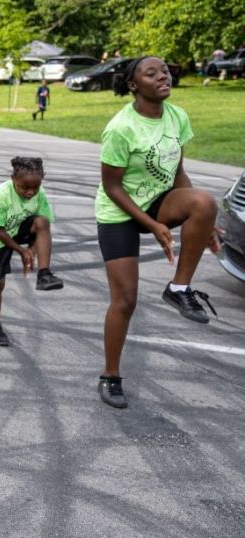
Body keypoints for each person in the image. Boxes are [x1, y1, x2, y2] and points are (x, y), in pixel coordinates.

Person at [95, 56, 219, 409]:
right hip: (119, 210)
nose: (162, 75)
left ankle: (179, 287)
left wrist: (203, 221)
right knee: (126, 300)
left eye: (164, 69)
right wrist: (151, 226)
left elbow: (179, 172)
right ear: (134, 85)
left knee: (206, 202)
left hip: (157, 200)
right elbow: (112, 186)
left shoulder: (177, 116)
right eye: (151, 73)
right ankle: (110, 376)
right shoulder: (121, 128)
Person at [0, 157, 64, 346]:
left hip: (19, 229)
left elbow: (42, 224)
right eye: (24, 187)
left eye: (35, 188)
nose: (30, 192)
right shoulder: (1, 194)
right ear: (13, 179)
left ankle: (44, 274)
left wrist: (32, 249)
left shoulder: (39, 193)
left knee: (42, 221)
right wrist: (22, 251)